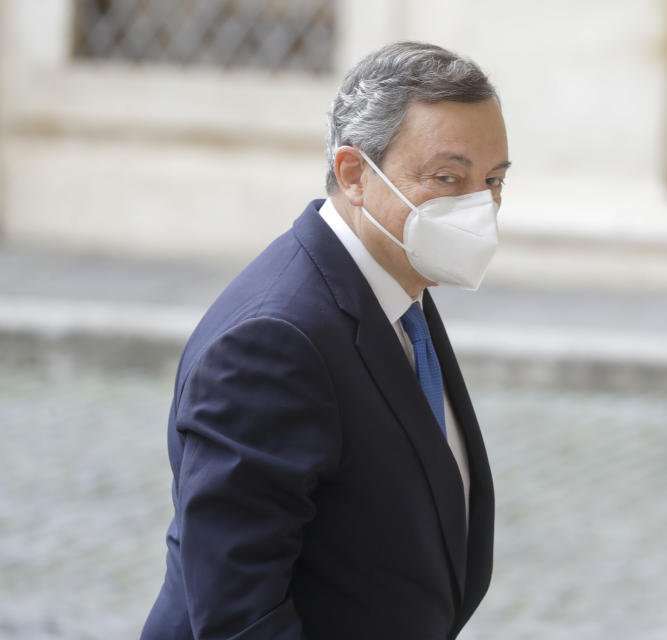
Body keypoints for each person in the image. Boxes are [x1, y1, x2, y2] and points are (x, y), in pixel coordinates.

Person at [141, 41, 509, 640]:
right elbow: (239, 615)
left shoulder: (399, 282)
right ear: (355, 174)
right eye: (448, 177)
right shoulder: (272, 343)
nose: (479, 207)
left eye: (492, 180)